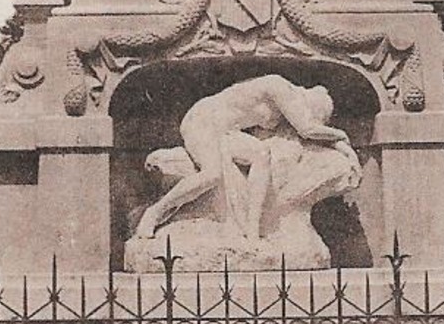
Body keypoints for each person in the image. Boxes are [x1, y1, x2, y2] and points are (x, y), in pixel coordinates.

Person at [134, 75, 358, 244]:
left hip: (226, 133)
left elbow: (310, 134)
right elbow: (308, 129)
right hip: (203, 121)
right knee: (212, 174)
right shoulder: (279, 86)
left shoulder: (285, 109)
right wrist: (344, 137)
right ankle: (155, 212)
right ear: (309, 99)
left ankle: (252, 231)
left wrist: (342, 148)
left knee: (261, 155)